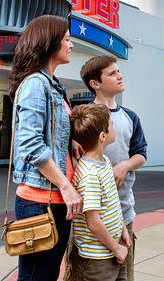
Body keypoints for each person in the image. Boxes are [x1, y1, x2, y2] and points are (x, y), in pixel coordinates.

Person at [8, 14, 83, 281]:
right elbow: (29, 143)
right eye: (66, 39)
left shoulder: (53, 85)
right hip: (41, 201)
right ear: (50, 43)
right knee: (36, 277)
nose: (71, 45)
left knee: (48, 274)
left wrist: (69, 141)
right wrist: (65, 185)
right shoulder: (35, 84)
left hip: (56, 201)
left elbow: (49, 132)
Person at [79, 55, 147, 280]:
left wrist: (125, 165)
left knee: (124, 273)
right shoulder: (83, 118)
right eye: (112, 73)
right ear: (95, 84)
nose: (120, 75)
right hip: (91, 218)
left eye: (119, 71)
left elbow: (141, 154)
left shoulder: (131, 117)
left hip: (123, 213)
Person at [69, 103, 131, 281]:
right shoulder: (90, 175)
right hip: (97, 260)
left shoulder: (103, 160)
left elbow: (110, 203)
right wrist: (116, 248)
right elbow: (93, 222)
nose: (114, 126)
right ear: (103, 136)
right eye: (111, 124)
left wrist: (122, 228)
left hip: (112, 251)